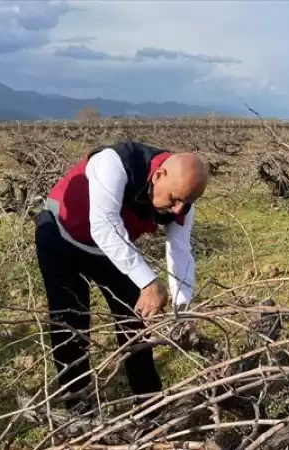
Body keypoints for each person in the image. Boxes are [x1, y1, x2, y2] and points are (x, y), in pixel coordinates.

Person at [33, 140, 209, 413]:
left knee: (135, 320)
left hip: (108, 250)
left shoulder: (182, 202)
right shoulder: (114, 163)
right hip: (61, 235)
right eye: (174, 198)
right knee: (71, 325)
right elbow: (104, 226)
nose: (177, 209)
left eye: (185, 203)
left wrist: (182, 310)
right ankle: (78, 410)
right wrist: (149, 282)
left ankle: (149, 405)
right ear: (159, 174)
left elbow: (180, 250)